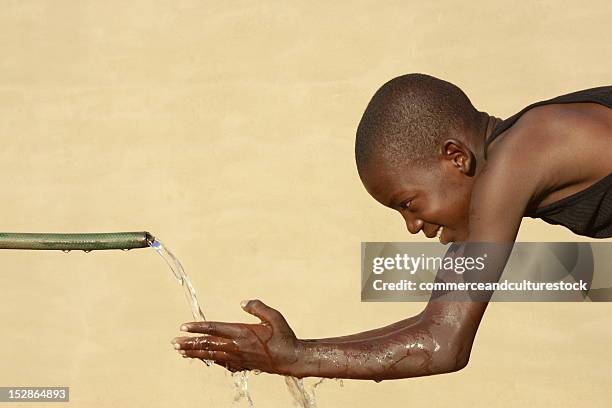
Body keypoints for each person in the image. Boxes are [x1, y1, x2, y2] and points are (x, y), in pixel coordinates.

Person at [171, 74, 612, 380]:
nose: (412, 226)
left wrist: (294, 357)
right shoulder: (515, 156)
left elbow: (444, 343)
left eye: (407, 203)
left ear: (455, 157)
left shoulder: (515, 162)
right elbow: (431, 321)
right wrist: (297, 349)